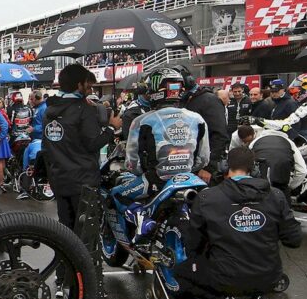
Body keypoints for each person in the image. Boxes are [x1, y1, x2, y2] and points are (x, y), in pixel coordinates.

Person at [175, 146, 302, 299]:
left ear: (225, 167)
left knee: (181, 271)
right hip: (270, 278)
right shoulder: (277, 196)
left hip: (225, 278)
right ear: (254, 169)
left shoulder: (207, 198)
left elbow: (193, 244)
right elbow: (294, 240)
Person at [43, 64, 120, 230]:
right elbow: (93, 144)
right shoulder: (83, 110)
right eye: (88, 85)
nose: (90, 89)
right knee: (85, 235)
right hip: (83, 182)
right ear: (79, 85)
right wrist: (112, 128)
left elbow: (47, 148)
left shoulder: (49, 110)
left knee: (66, 235)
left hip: (60, 181)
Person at [119, 68, 211, 202]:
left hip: (154, 182)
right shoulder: (198, 119)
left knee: (116, 194)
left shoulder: (141, 121)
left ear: (153, 90)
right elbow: (203, 159)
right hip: (189, 180)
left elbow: (132, 164)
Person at [176, 66, 229, 178]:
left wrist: (209, 167)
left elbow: (220, 135)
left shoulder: (209, 100)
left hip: (202, 169)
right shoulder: (181, 101)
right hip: (182, 165)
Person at [235, 123, 306, 196]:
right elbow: (302, 171)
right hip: (281, 181)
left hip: (259, 184)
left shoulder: (254, 143)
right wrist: (291, 186)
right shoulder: (290, 143)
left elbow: (245, 168)